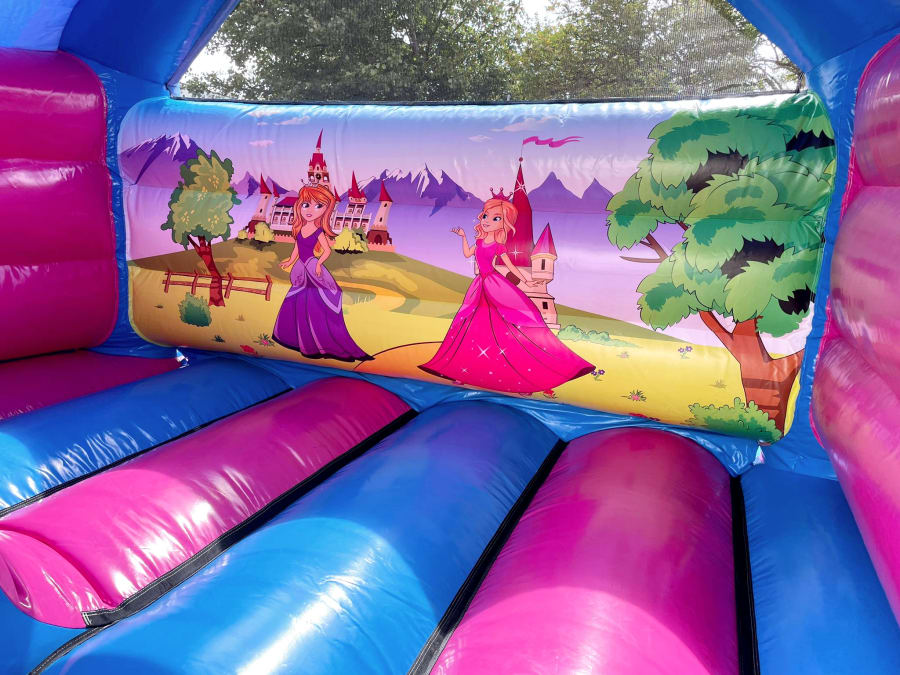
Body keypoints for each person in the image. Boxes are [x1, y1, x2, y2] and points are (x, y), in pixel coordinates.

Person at [419, 191, 593, 393]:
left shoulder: (498, 246)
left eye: (496, 218)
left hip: (494, 284)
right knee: (470, 323)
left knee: (506, 322)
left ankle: (522, 374)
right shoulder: (479, 242)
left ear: (503, 224)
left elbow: (510, 267)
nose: (487, 221)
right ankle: (462, 370)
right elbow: (467, 254)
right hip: (479, 285)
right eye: (486, 216)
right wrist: (464, 237)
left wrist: (525, 280)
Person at [273, 183, 371, 362]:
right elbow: (297, 249)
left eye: (318, 206)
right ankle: (298, 338)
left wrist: (318, 264)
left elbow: (326, 251)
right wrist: (290, 261)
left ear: (326, 210)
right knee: (297, 299)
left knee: (324, 297)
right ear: (299, 206)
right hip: (301, 267)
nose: (310, 210)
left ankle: (323, 340)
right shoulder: (300, 228)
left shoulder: (319, 232)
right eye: (306, 205)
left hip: (311, 265)